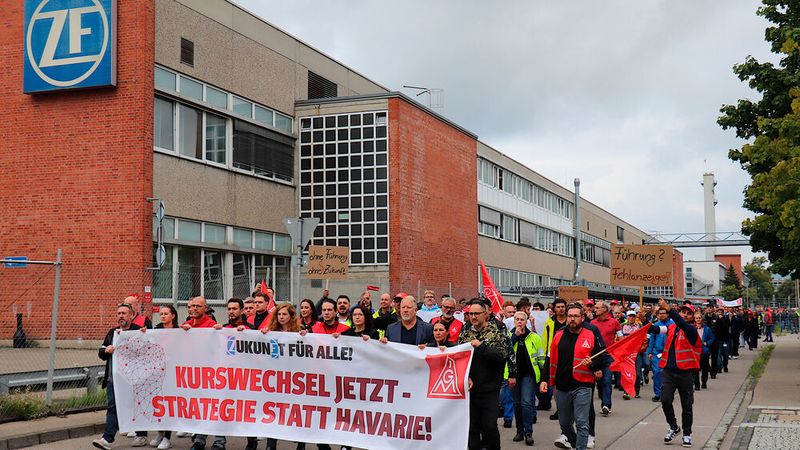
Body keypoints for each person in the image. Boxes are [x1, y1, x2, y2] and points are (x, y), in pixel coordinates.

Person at [541, 303, 604, 450]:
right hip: (562, 386)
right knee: (564, 423)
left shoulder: (590, 335)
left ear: (582, 318)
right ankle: (576, 444)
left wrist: (592, 364)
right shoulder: (558, 336)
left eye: (576, 316)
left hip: (583, 385)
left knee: (582, 422)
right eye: (570, 316)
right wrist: (544, 379)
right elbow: (549, 359)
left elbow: (600, 358)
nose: (572, 319)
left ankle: (580, 448)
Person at [459, 299, 514, 450]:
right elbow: (459, 356)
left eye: (477, 313)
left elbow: (502, 355)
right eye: (471, 314)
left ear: (486, 314)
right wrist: (466, 375)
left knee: (489, 426)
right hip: (470, 388)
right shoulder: (465, 331)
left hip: (490, 387)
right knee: (472, 427)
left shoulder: (497, 332)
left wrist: (481, 346)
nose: (473, 317)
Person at [646, 299, 701, 448]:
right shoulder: (671, 327)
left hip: (686, 374)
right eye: (683, 312)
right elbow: (656, 329)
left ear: (692, 317)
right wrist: (644, 325)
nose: (685, 315)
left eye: (689, 313)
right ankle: (674, 427)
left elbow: (681, 323)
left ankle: (687, 433)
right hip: (669, 372)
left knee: (687, 406)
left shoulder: (691, 330)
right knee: (665, 400)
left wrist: (669, 309)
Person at [92, 303, 145, 450]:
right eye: (119, 313)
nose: (121, 316)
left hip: (134, 380)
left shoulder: (138, 331)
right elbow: (101, 353)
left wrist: (145, 335)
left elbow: (146, 351)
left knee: (136, 406)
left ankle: (141, 434)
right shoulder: (112, 333)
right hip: (113, 379)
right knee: (113, 407)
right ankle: (107, 439)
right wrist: (106, 351)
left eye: (124, 313)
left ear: (131, 315)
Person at [508, 311, 544, 446]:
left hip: (528, 374)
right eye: (517, 319)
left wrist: (543, 375)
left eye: (522, 319)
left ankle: (528, 432)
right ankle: (519, 431)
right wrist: (514, 338)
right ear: (513, 321)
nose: (519, 322)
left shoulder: (534, 337)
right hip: (513, 375)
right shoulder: (509, 336)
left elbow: (540, 357)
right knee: (517, 404)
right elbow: (505, 352)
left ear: (526, 321)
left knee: (527, 403)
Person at [590, 301, 621, 416]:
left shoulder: (614, 322)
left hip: (609, 356)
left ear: (604, 309)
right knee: (600, 381)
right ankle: (603, 396)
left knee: (607, 380)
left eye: (597, 308)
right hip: (596, 356)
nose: (595, 309)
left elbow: (621, 337)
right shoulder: (592, 323)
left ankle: (606, 405)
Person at [648, 307, 673, 402]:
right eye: (660, 313)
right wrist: (650, 352)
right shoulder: (656, 325)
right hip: (656, 353)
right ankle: (658, 393)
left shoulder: (672, 325)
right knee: (657, 372)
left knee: (667, 374)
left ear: (668, 314)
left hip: (669, 353)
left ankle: (667, 393)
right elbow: (652, 339)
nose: (662, 315)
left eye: (664, 313)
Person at [693, 314, 715, 390]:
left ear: (701, 319)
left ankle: (704, 382)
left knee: (705, 368)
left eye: (699, 318)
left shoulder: (707, 329)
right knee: (695, 369)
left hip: (704, 351)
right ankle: (697, 384)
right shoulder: (692, 328)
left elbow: (712, 338)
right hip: (695, 352)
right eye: (696, 318)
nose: (698, 319)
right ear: (694, 319)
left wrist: (707, 343)